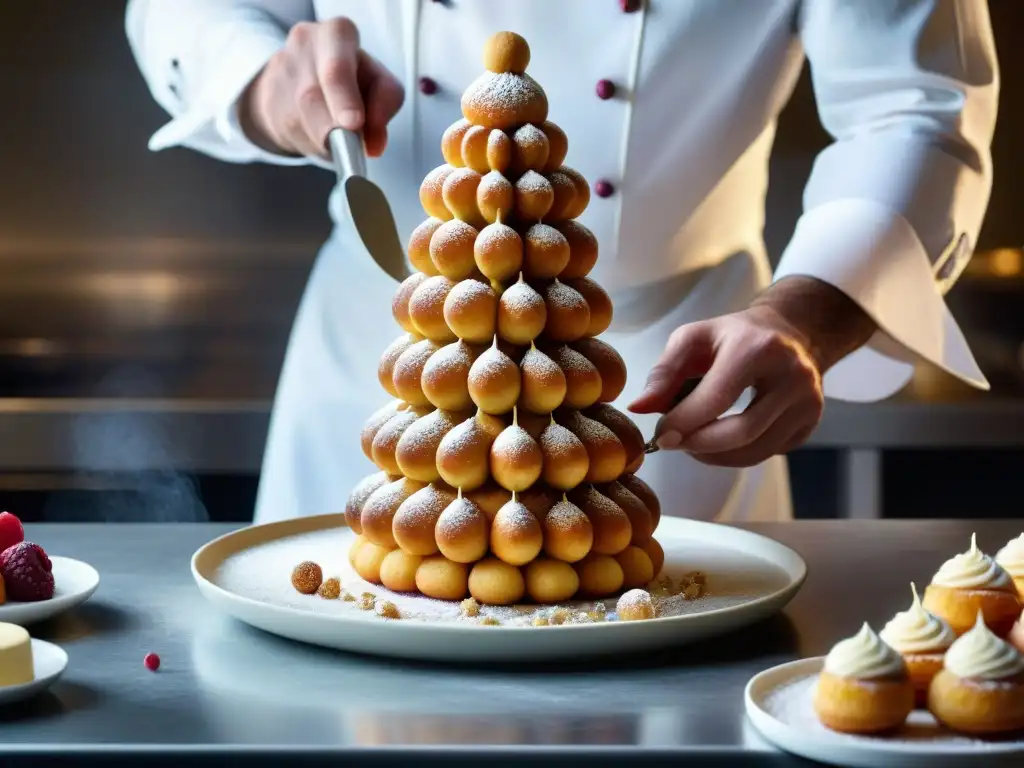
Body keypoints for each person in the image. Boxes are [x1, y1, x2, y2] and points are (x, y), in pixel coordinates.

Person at [126, 0, 997, 524]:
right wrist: (260, 82)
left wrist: (804, 314)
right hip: (383, 370)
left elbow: (915, 104)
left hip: (667, 392)